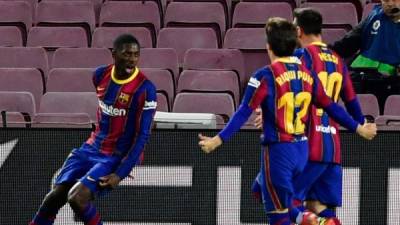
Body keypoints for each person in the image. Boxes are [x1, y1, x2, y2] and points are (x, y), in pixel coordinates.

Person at [198, 17, 377, 225]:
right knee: (264, 190)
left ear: (268, 47)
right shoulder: (307, 74)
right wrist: (358, 127)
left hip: (279, 150)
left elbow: (242, 113)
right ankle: (310, 219)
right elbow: (331, 106)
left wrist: (217, 140)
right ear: (294, 43)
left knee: (278, 213)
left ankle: (312, 221)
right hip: (302, 149)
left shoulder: (265, 76)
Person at [29, 34, 157, 225]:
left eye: (136, 55)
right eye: (127, 54)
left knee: (77, 198)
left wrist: (120, 173)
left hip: (115, 155)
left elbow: (142, 136)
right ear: (114, 54)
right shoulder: (100, 75)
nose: (132, 59)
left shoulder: (145, 89)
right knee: (53, 198)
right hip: (91, 148)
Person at [290, 8, 366, 225]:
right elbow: (351, 100)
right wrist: (361, 125)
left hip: (306, 142)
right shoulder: (337, 59)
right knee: (319, 208)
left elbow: (286, 90)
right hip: (331, 145)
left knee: (284, 201)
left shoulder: (301, 57)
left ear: (298, 30)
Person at [330, 0, 400, 110]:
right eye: (386, 0)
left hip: (391, 84)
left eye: (394, 0)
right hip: (361, 78)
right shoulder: (374, 15)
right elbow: (347, 44)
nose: (390, 3)